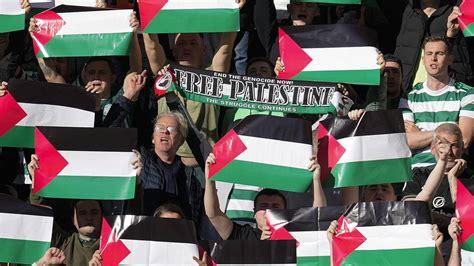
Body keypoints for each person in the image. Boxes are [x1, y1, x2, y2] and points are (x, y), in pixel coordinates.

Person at [143, 0, 246, 168]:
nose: (187, 47)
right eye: (181, 43)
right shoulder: (164, 72)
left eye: (193, 43)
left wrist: (233, 12)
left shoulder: (214, 76)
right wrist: (146, 11)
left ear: (204, 48)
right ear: (174, 49)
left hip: (206, 163)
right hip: (166, 163)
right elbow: (152, 47)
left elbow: (225, 50)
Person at [204, 152, 325, 240]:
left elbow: (319, 214)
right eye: (264, 206)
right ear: (254, 212)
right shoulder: (243, 235)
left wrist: (315, 179)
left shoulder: (295, 233)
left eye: (275, 206)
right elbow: (213, 213)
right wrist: (209, 179)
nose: (268, 210)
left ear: (285, 210)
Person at [401, 36, 473, 168]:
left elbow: (464, 140)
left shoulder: (468, 93)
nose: (433, 58)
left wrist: (421, 135)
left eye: (439, 53)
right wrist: (449, 129)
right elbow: (408, 141)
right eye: (429, 54)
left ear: (450, 59)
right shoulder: (408, 97)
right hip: (418, 170)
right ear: (423, 59)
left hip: (452, 169)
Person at [137, 111, 203, 226]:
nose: (165, 131)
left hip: (178, 237)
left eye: (171, 129)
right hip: (146, 235)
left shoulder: (190, 176)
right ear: (153, 138)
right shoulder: (140, 162)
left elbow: (194, 219)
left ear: (181, 140)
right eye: (160, 128)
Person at [394, 1, 472, 93]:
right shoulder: (404, 9)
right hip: (408, 93)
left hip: (450, 92)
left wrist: (451, 36)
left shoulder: (462, 6)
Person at [403, 123, 469, 232]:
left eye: (454, 145)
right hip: (427, 240)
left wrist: (452, 179)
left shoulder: (470, 178)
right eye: (443, 145)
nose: (449, 152)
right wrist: (448, 220)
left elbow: (467, 219)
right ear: (433, 148)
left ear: (462, 147)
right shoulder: (418, 174)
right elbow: (413, 212)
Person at [326, 219, 446, 266]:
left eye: (385, 188)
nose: (379, 192)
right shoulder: (351, 231)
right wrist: (334, 244)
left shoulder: (411, 231)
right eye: (373, 188)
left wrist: (436, 248)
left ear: (395, 197)